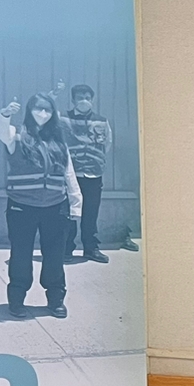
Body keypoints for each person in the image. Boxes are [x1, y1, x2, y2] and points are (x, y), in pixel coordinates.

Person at [0, 92, 80, 319]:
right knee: (21, 255)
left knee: (54, 255)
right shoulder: (16, 135)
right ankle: (16, 300)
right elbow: (1, 131)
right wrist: (4, 115)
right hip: (22, 207)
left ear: (53, 114)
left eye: (47, 110)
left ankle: (55, 300)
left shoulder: (58, 142)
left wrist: (76, 204)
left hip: (56, 206)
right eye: (38, 109)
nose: (42, 113)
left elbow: (69, 173)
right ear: (29, 111)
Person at [62, 85, 112, 262]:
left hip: (93, 174)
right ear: (73, 100)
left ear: (92, 100)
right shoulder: (63, 119)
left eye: (87, 97)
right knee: (69, 212)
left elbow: (107, 144)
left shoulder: (102, 121)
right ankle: (66, 249)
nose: (84, 100)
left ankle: (91, 248)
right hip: (71, 175)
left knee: (91, 213)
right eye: (80, 97)